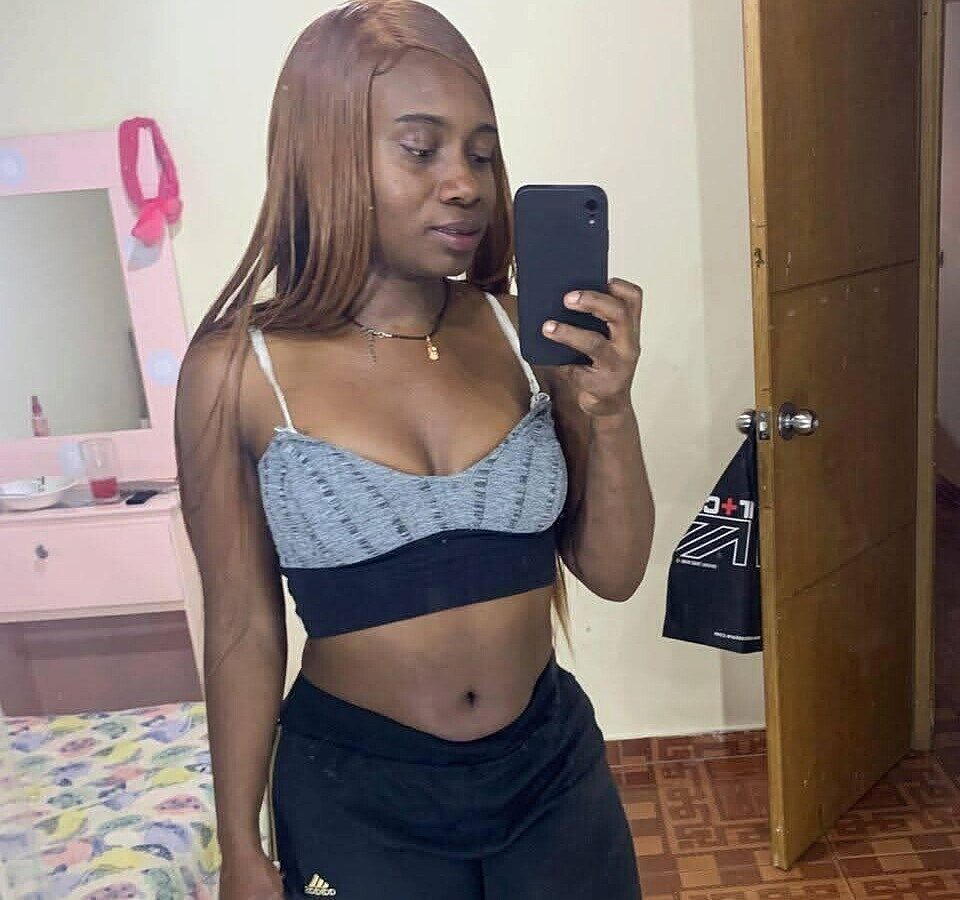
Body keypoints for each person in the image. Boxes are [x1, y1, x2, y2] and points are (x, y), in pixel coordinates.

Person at [174, 3, 653, 897]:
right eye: (421, 149)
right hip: (357, 794)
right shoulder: (237, 372)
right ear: (325, 156)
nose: (465, 184)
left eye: (482, 153)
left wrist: (613, 411)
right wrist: (240, 840)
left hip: (550, 772)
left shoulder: (521, 334)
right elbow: (241, 626)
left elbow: (616, 573)